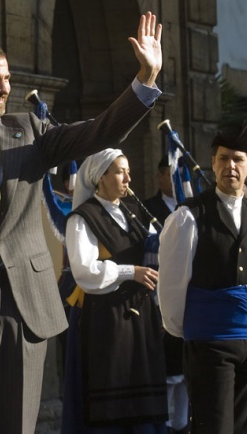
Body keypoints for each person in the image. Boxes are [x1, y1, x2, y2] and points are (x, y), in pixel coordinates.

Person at [0, 11, 163, 433]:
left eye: (6, 78)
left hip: (27, 313)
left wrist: (145, 81)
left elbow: (98, 132)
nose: (4, 88)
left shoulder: (30, 131)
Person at [158, 98, 247, 434]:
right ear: (212, 163)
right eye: (223, 159)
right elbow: (172, 284)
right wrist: (190, 331)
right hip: (209, 342)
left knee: (246, 428)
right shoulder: (189, 216)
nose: (230, 166)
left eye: (238, 160)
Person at [61, 148, 167, 433]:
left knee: (142, 407)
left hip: (139, 321)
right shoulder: (83, 218)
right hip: (105, 323)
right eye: (120, 171)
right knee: (112, 409)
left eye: (128, 171)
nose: (128, 178)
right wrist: (131, 272)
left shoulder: (133, 213)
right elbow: (85, 271)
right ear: (101, 177)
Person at [143, 156, 189, 434]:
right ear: (160, 177)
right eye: (171, 175)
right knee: (166, 372)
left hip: (189, 302)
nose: (177, 182)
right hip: (158, 302)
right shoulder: (148, 210)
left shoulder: (192, 209)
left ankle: (183, 424)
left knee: (186, 372)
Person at [144, 155, 176, 225]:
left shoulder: (194, 207)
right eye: (173, 175)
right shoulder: (147, 209)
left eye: (182, 176)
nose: (179, 181)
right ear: (160, 176)